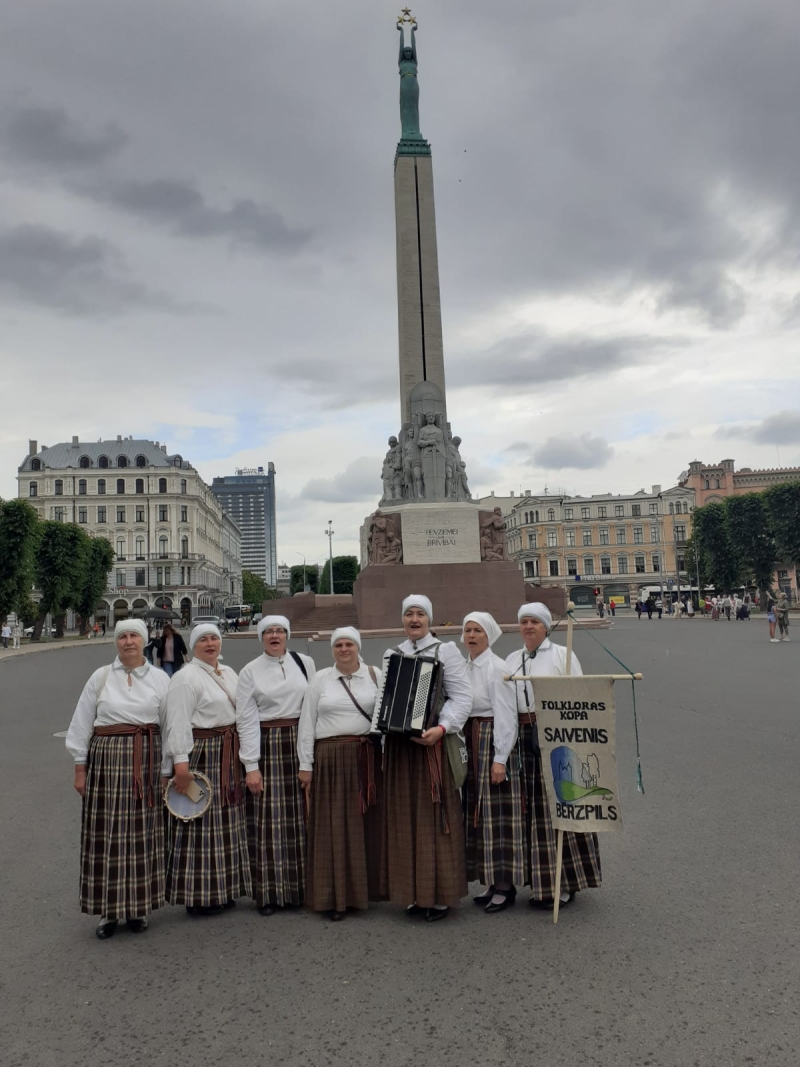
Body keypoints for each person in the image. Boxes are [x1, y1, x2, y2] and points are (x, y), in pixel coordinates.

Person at [65, 619, 170, 939]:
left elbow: (170, 725)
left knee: (142, 834)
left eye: (134, 636)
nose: (128, 642)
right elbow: (82, 722)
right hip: (107, 762)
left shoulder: (160, 678)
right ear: (116, 642)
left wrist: (167, 769)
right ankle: (108, 911)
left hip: (147, 759)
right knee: (107, 835)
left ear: (145, 640)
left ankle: (138, 907)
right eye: (122, 636)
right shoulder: (100, 677)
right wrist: (80, 767)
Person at [372, 595, 472, 922]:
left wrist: (442, 728)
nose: (414, 619)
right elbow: (384, 699)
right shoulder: (394, 654)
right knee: (405, 820)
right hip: (402, 749)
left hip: (432, 746)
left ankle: (439, 895)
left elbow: (462, 698)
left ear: (429, 619)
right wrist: (383, 725)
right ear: (403, 619)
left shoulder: (445, 652)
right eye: (409, 614)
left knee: (434, 819)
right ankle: (414, 891)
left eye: (420, 614)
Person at [505, 603, 601, 908]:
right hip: (524, 737)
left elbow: (579, 697)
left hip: (555, 737)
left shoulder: (563, 654)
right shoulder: (512, 659)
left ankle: (564, 882)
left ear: (546, 626)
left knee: (558, 809)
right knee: (532, 813)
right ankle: (541, 880)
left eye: (534, 621)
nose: (528, 626)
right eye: (524, 622)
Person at [163, 623, 262, 917]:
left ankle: (224, 887)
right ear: (193, 645)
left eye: (214, 638)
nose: (210, 644)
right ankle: (199, 895)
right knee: (199, 823)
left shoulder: (228, 672)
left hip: (228, 751)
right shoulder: (185, 678)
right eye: (203, 639)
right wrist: (180, 765)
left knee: (227, 822)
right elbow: (177, 721)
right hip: (202, 755)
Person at [297, 627, 385, 921]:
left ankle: (369, 890)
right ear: (332, 649)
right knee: (333, 827)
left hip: (366, 756)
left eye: (349, 644)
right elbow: (307, 723)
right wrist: (306, 764)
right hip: (330, 758)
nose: (344, 649)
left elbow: (386, 716)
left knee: (366, 824)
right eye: (338, 645)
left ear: (358, 647)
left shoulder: (375, 676)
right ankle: (335, 896)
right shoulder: (320, 679)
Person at [236, 615, 315, 915]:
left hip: (299, 741)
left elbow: (311, 707)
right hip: (267, 744)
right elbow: (245, 719)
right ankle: (269, 893)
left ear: (288, 635)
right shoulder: (249, 672)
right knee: (269, 822)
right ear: (261, 637)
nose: (274, 636)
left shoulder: (304, 663)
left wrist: (307, 755)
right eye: (268, 631)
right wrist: (251, 766)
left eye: (280, 630)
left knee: (301, 818)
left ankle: (301, 889)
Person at [461, 613, 524, 915]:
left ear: (489, 636)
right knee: (478, 813)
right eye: (467, 630)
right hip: (471, 739)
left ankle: (505, 885)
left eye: (478, 631)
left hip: (491, 740)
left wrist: (500, 759)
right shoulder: (466, 666)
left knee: (496, 816)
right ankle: (490, 879)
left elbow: (506, 715)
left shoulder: (497, 667)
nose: (471, 635)